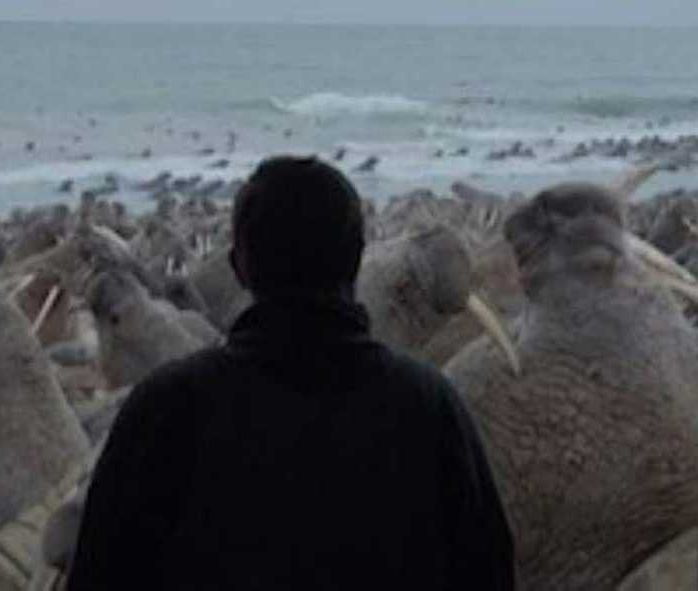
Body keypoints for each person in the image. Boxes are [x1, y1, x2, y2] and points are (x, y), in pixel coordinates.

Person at [68, 156, 514, 590]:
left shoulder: (164, 407)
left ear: (239, 265)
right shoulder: (429, 406)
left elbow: (99, 573)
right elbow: (488, 570)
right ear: (357, 258)